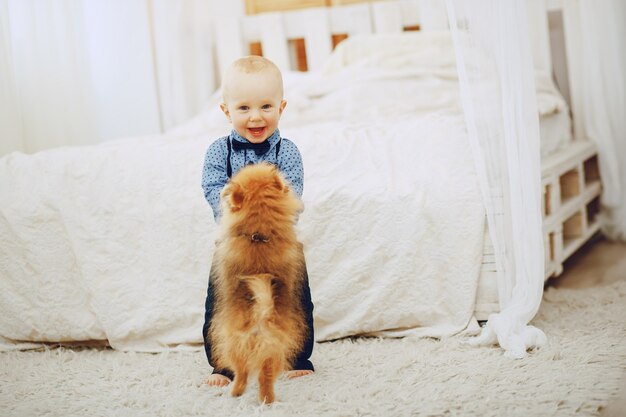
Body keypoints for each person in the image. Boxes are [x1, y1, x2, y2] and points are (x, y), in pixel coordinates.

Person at [201, 55, 315, 387]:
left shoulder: (288, 152)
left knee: (294, 296)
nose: (256, 117)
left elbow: (292, 197)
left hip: (280, 244)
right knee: (223, 300)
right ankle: (223, 365)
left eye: (266, 106)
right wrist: (229, 207)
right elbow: (211, 188)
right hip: (233, 245)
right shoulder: (218, 152)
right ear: (226, 111)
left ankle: (297, 356)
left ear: (281, 107)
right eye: (244, 108)